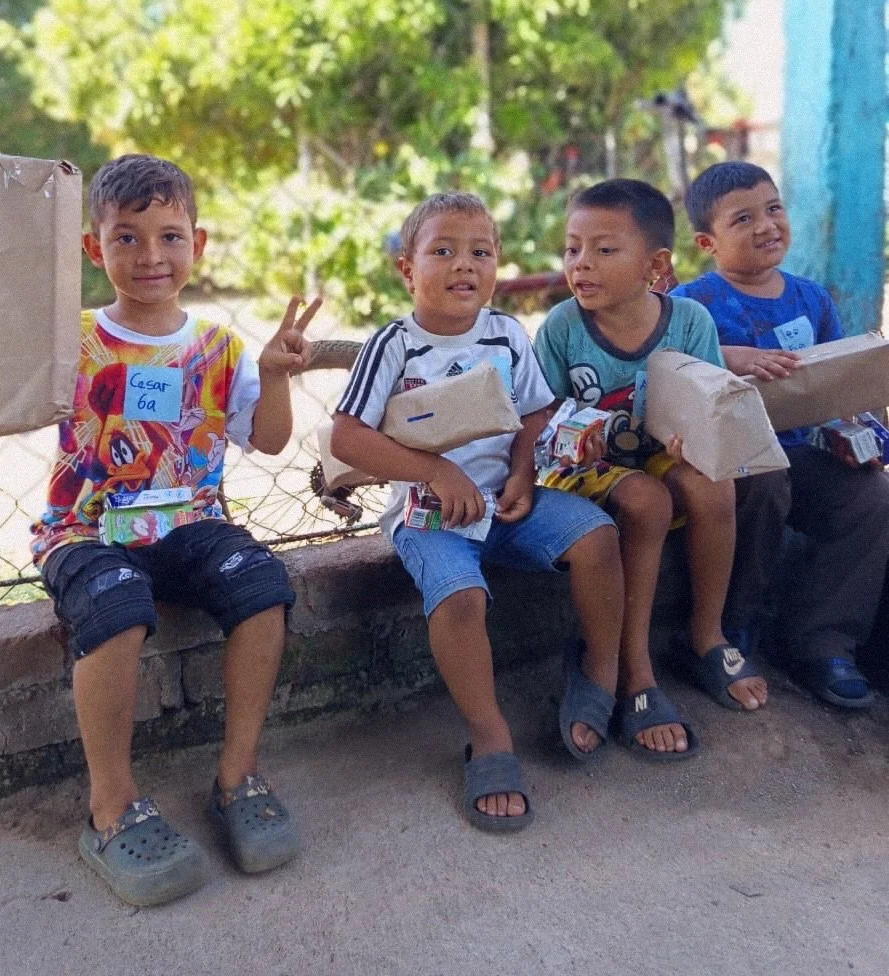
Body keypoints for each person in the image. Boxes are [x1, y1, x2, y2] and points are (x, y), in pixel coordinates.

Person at [0, 154, 320, 906]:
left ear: (199, 243)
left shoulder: (219, 348)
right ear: (94, 250)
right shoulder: (71, 340)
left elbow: (273, 442)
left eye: (169, 236)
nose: (150, 256)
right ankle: (111, 808)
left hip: (192, 521)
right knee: (117, 608)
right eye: (126, 238)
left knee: (263, 587)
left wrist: (277, 375)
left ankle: (236, 777)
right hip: (86, 530)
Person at [330, 192, 625, 832]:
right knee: (462, 599)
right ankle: (489, 735)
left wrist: (523, 471)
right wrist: (436, 470)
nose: (464, 265)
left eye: (480, 252)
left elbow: (536, 413)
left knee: (598, 537)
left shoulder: (506, 334)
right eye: (443, 251)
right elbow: (347, 436)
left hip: (510, 502)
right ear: (407, 269)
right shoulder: (393, 345)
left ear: (497, 265)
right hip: (428, 513)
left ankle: (602, 672)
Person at [534, 179, 768, 761]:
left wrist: (697, 440)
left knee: (714, 486)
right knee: (648, 502)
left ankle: (706, 637)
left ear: (655, 264)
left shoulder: (688, 322)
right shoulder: (562, 329)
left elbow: (709, 402)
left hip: (660, 453)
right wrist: (577, 439)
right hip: (584, 468)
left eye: (604, 250)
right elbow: (539, 425)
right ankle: (635, 671)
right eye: (572, 248)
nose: (581, 264)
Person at [674, 160, 889, 709]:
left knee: (874, 496)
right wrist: (730, 358)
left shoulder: (812, 298)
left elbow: (843, 387)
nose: (766, 225)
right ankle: (733, 626)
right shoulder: (693, 305)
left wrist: (863, 436)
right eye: (743, 219)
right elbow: (668, 369)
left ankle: (821, 639)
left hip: (803, 451)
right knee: (766, 484)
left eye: (773, 209)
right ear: (708, 241)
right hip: (733, 461)